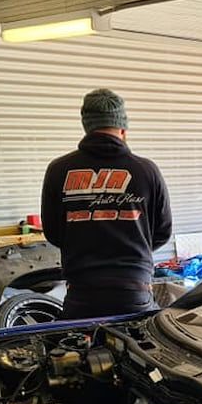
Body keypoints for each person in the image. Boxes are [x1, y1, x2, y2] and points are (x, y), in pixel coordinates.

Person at [41, 89, 172, 319]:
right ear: (123, 128)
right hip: (134, 293)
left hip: (82, 294)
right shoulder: (146, 170)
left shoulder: (59, 170)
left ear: (86, 127)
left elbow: (52, 233)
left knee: (78, 354)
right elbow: (162, 232)